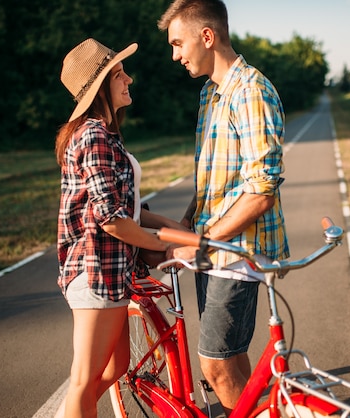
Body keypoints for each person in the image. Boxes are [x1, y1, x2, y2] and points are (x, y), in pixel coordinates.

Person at [158, 1, 290, 414]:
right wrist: (185, 226)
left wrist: (199, 242)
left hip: (239, 250)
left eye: (178, 43)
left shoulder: (250, 91)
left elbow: (260, 191)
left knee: (214, 366)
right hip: (216, 249)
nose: (175, 54)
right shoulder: (211, 93)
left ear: (207, 37)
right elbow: (213, 175)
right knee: (230, 357)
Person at [54, 38, 185, 418]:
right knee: (84, 380)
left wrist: (182, 232)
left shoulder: (106, 135)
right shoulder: (93, 136)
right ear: (99, 89)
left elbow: (131, 210)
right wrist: (162, 245)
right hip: (94, 273)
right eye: (118, 74)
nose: (129, 79)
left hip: (113, 274)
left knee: (115, 368)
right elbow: (111, 219)